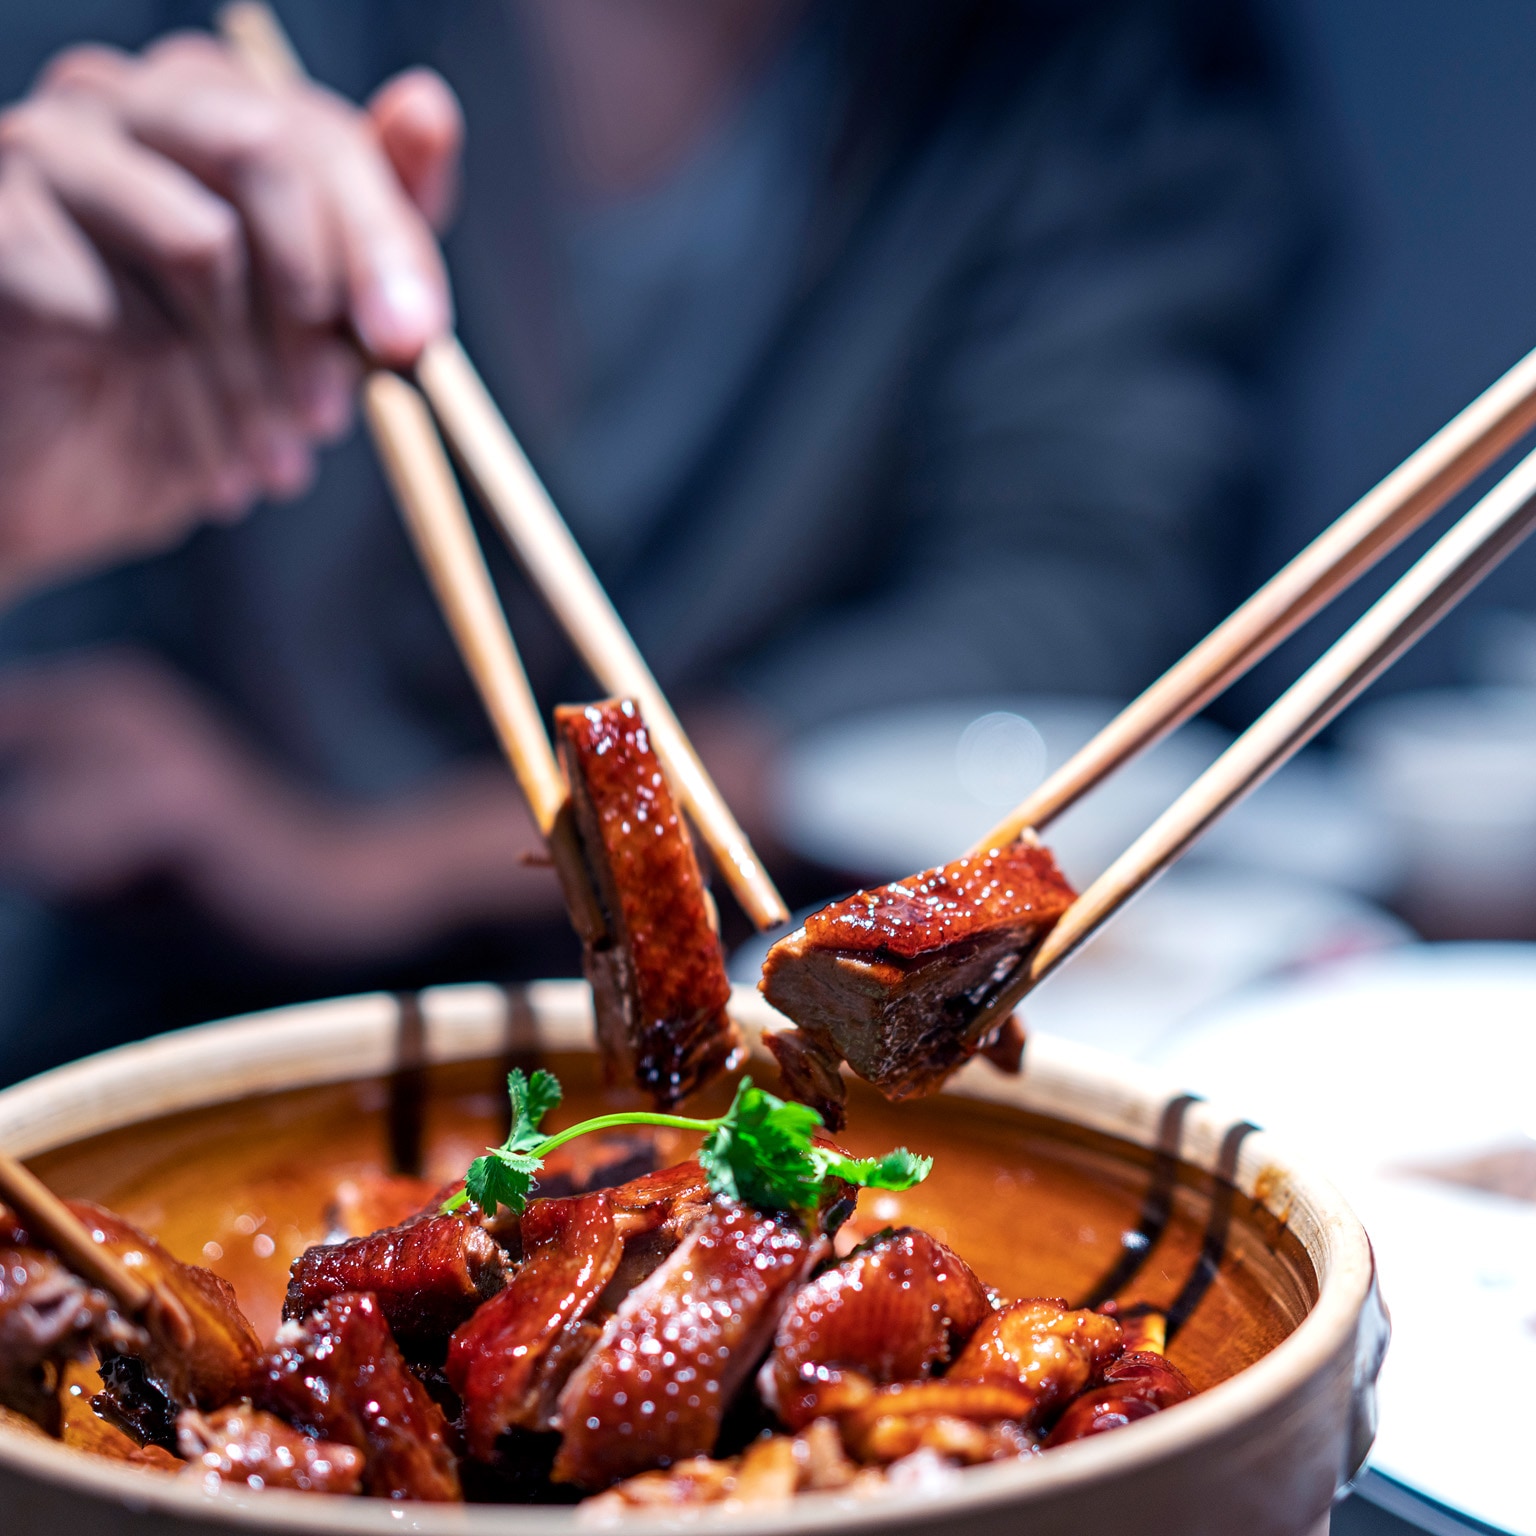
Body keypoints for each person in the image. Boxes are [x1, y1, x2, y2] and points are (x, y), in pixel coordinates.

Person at [0, 0, 1326, 1079]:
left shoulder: (1107, 74)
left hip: (807, 1052)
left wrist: (368, 864)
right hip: (182, 1030)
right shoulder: (238, 43)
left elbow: (1082, 610)